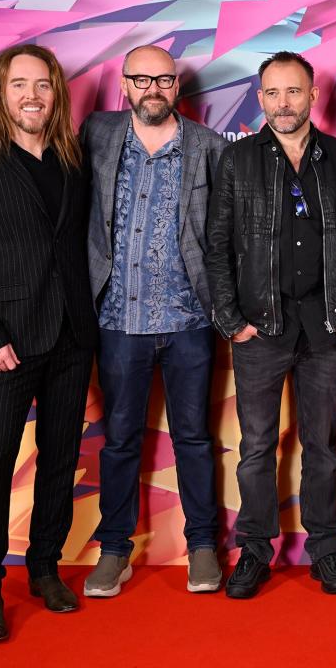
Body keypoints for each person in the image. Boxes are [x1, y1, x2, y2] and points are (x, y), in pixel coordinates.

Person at [0, 44, 97, 642]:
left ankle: (44, 569)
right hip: (6, 342)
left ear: (56, 93)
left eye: (43, 85)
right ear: (0, 94)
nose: (32, 96)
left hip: (71, 337)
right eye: (19, 85)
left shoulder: (71, 159)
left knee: (61, 459)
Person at [206, 51, 336, 598]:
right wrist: (231, 320)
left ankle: (324, 549)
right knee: (255, 447)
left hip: (325, 328)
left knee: (322, 446)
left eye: (293, 92)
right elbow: (216, 246)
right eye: (271, 93)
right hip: (260, 329)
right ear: (259, 97)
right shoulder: (237, 161)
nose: (282, 103)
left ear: (314, 95)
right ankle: (253, 550)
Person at [81, 45, 227, 597]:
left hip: (189, 319)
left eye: (163, 79)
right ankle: (114, 550)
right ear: (124, 85)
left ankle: (203, 547)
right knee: (118, 439)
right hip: (118, 319)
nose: (152, 89)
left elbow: (221, 234)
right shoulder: (97, 132)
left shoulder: (208, 146)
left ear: (177, 86)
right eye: (141, 79)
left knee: (193, 437)